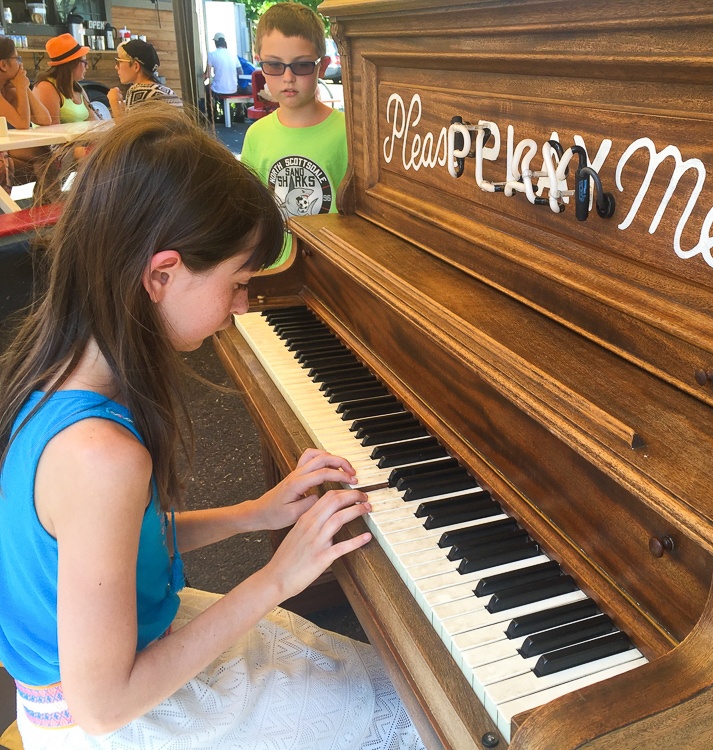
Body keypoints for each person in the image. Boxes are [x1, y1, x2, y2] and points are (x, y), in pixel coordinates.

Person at [0, 106, 425, 750]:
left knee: (369, 679)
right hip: (120, 715)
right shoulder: (100, 457)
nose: (242, 306)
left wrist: (253, 514)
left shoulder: (49, 372)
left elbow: (120, 547)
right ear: (161, 273)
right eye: (238, 282)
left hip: (115, 652)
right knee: (413, 711)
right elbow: (104, 706)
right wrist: (276, 578)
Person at [240, 2, 348, 268]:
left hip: (334, 269)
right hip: (278, 269)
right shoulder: (256, 135)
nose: (288, 77)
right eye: (274, 66)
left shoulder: (349, 133)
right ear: (260, 64)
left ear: (321, 67)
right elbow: (252, 211)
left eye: (301, 66)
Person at [0, 35, 52, 191]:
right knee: (43, 156)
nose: (20, 64)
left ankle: (49, 204)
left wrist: (24, 88)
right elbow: (22, 123)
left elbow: (45, 119)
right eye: (17, 58)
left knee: (44, 155)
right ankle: (51, 204)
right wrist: (22, 88)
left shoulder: (8, 89)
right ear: (3, 64)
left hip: (5, 146)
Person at [34, 33, 99, 124]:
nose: (87, 67)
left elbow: (93, 119)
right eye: (84, 62)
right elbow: (53, 130)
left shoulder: (76, 86)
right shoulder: (46, 87)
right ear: (72, 64)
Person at [108, 39, 183, 118]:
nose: (116, 67)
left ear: (136, 66)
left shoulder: (139, 92)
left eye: (119, 61)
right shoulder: (167, 91)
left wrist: (114, 102)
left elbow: (127, 129)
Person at [205, 32, 240, 98]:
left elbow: (207, 75)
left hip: (218, 89)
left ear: (215, 42)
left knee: (206, 90)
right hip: (233, 89)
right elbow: (240, 71)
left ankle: (211, 108)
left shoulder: (212, 54)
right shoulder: (233, 54)